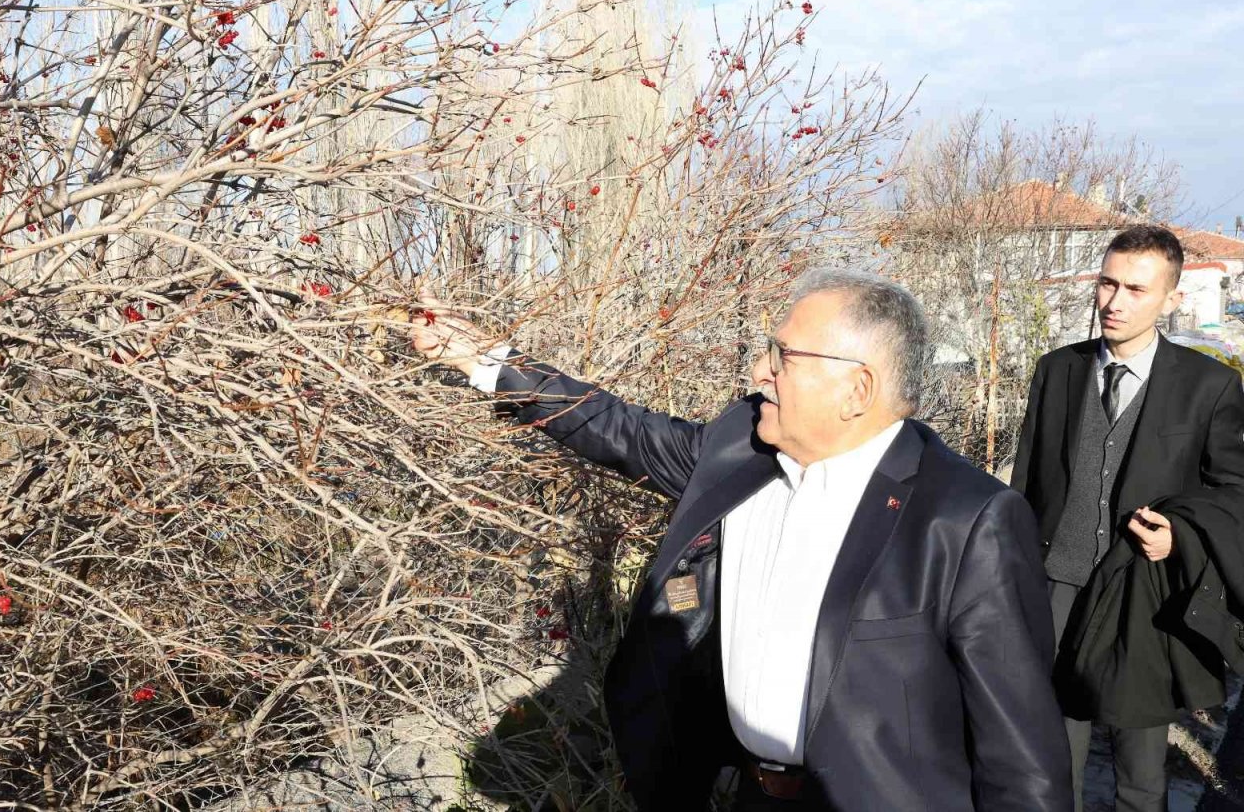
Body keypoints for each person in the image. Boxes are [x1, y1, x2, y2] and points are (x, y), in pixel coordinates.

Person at [412, 269, 1071, 811]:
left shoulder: (966, 518)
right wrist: (476, 356)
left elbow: (1023, 760)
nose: (760, 370)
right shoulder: (739, 447)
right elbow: (615, 427)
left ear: (857, 387)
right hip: (742, 794)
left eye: (784, 355)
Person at [1012, 225, 1244, 812]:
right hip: (1057, 586)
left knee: (1140, 770)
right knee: (1053, 754)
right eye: (1107, 283)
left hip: (1144, 598)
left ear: (1171, 298)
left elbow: (1233, 491)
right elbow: (1026, 483)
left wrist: (1182, 537)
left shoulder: (1210, 386)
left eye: (1136, 289)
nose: (1115, 302)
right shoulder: (1055, 370)